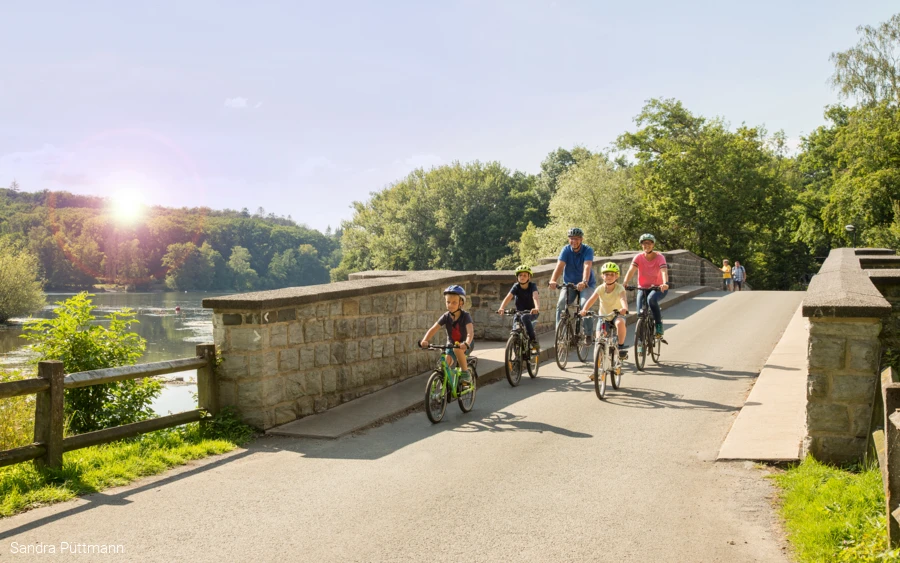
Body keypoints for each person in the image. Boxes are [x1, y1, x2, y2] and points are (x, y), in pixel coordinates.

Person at [549, 227, 596, 341]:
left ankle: (588, 333)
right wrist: (553, 280)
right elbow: (559, 266)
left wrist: (584, 281)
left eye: (576, 239)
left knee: (585, 305)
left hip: (586, 284)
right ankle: (559, 334)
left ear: (581, 239)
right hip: (569, 284)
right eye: (571, 238)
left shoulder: (587, 250)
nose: (573, 241)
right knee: (561, 304)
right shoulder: (565, 250)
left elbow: (587, 266)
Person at [420, 285, 475, 378]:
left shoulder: (465, 316)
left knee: (457, 349)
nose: (450, 305)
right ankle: (445, 385)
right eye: (448, 302)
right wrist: (425, 340)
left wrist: (466, 343)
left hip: (465, 344)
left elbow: (470, 332)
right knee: (445, 364)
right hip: (451, 345)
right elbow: (433, 329)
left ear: (461, 303)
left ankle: (465, 373)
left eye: (454, 302)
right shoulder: (446, 316)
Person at [580, 262, 629, 362]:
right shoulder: (600, 288)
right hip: (603, 317)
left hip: (617, 314)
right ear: (602, 276)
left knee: (620, 323)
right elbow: (591, 300)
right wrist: (584, 310)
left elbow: (623, 299)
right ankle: (597, 369)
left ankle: (621, 346)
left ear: (617, 276)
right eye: (606, 274)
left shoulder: (620, 288)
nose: (609, 277)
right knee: (599, 340)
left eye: (612, 274)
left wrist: (624, 308)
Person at [622, 233, 670, 336]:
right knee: (639, 313)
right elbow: (631, 270)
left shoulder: (660, 257)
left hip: (658, 288)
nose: (646, 245)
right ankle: (641, 342)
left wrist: (665, 283)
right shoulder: (638, 257)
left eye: (648, 243)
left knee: (651, 299)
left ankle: (658, 325)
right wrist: (625, 282)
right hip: (643, 288)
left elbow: (663, 271)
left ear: (653, 245)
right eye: (644, 243)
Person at [497, 265, 541, 355]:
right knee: (515, 329)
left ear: (529, 277)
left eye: (525, 275)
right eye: (520, 275)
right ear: (517, 277)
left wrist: (536, 308)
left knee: (525, 317)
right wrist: (502, 307)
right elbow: (508, 297)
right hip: (519, 313)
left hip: (531, 312)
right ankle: (516, 350)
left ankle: (533, 342)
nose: (522, 277)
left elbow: (535, 297)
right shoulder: (516, 286)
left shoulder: (532, 286)